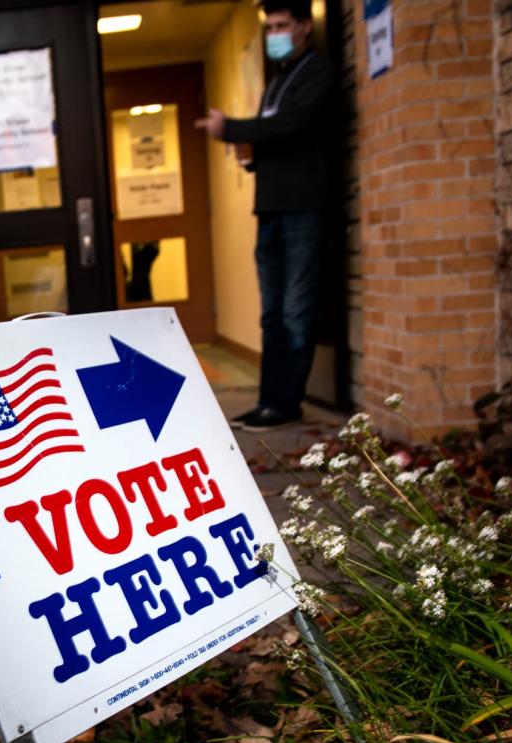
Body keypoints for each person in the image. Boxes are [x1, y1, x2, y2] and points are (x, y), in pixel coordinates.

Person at [196, 0, 334, 433]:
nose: (274, 32)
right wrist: (252, 159)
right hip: (270, 208)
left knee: (295, 310)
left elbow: (291, 127)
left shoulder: (316, 73)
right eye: (269, 26)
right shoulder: (277, 82)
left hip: (302, 208)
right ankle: (268, 400)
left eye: (280, 25)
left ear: (303, 28)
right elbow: (273, 138)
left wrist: (232, 129)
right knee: (271, 313)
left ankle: (287, 402)